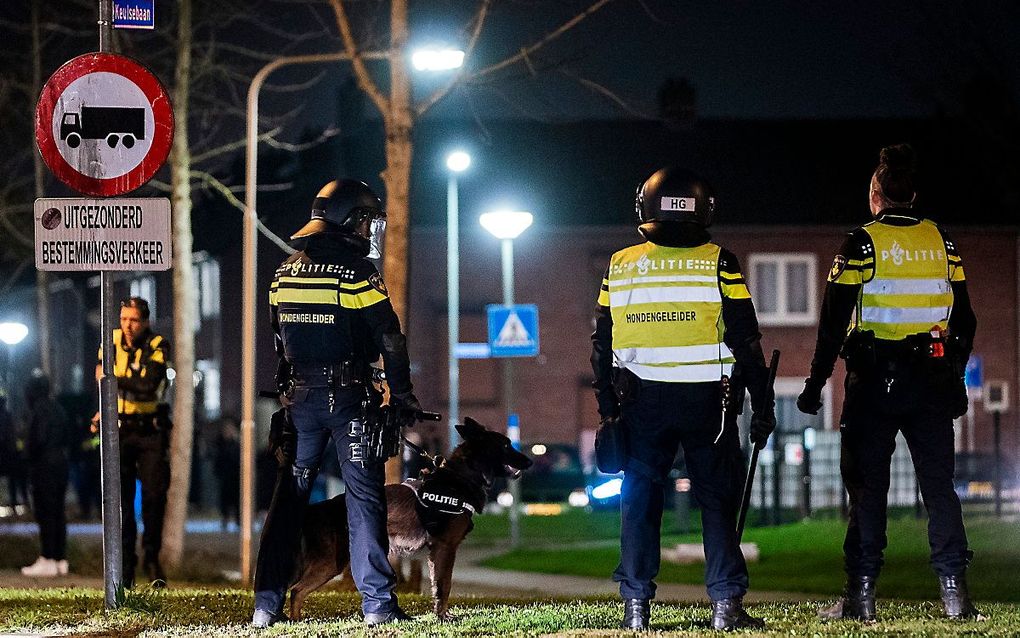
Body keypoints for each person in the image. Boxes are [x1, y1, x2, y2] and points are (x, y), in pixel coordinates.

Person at [797, 144, 980, 621]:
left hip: (874, 383)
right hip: (932, 381)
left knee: (867, 489)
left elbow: (832, 321)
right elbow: (966, 318)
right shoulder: (943, 241)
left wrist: (816, 383)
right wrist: (955, 373)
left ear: (875, 193)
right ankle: (956, 597)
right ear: (913, 194)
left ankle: (860, 598)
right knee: (940, 489)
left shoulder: (861, 243)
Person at [591, 167, 776, 631]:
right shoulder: (720, 262)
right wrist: (764, 404)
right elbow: (747, 342)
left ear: (645, 206)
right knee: (716, 501)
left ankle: (636, 606)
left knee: (639, 500)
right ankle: (726, 605)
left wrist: (608, 408)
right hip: (708, 405)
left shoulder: (621, 264)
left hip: (640, 403)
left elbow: (601, 344)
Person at [252, 179, 423, 628]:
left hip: (299, 403)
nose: (370, 230)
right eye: (368, 220)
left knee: (287, 501)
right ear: (352, 221)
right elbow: (390, 338)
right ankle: (377, 606)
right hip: (349, 401)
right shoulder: (356, 274)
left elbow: (279, 340)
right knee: (364, 502)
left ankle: (264, 604)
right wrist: (402, 395)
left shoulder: (283, 273)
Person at [96, 296, 171, 588]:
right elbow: (101, 377)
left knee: (154, 496)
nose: (128, 325)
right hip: (120, 430)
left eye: (134, 320)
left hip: (149, 430)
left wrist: (112, 378)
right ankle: (125, 568)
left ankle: (151, 557)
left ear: (146, 322)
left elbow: (148, 387)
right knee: (120, 502)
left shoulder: (157, 344)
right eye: (124, 318)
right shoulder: (109, 340)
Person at [19, 372, 71, 577]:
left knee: (45, 512)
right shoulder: (58, 408)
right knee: (58, 512)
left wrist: (27, 454)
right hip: (61, 464)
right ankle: (60, 558)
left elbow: (38, 439)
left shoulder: (39, 410)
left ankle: (47, 557)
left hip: (44, 467)